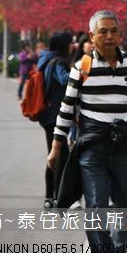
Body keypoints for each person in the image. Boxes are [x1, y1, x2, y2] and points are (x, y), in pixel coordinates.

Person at [47, 10, 127, 253]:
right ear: (92, 36)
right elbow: (66, 110)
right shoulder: (82, 68)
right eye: (103, 31)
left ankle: (116, 250)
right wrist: (56, 146)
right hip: (93, 148)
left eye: (114, 31)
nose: (110, 36)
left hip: (126, 146)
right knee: (96, 204)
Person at [38, 32, 72, 208]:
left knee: (54, 155)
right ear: (64, 46)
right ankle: (58, 198)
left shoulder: (45, 59)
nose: (73, 46)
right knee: (60, 156)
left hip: (48, 115)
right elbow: (65, 79)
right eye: (70, 43)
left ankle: (50, 197)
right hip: (54, 115)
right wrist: (80, 73)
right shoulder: (58, 62)